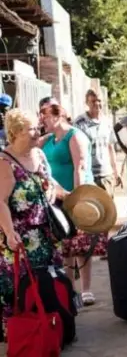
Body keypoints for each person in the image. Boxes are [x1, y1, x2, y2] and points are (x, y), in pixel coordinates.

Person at [0, 108, 68, 342]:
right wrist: (9, 233)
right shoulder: (5, 163)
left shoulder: (39, 154)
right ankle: (25, 333)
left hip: (46, 233)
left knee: (49, 282)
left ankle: (52, 327)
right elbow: (1, 202)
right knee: (20, 287)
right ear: (16, 132)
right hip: (20, 239)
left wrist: (56, 192)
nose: (37, 132)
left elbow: (49, 181)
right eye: (31, 128)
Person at [40, 100, 105, 306]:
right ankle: (70, 289)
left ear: (58, 116)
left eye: (45, 116)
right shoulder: (48, 139)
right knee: (65, 246)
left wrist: (77, 198)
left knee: (81, 246)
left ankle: (86, 289)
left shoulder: (74, 136)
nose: (42, 120)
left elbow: (80, 167)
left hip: (76, 197)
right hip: (56, 199)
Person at [74, 89, 121, 196]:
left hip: (106, 175)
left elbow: (110, 147)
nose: (97, 104)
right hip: (89, 175)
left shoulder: (107, 121)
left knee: (108, 210)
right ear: (87, 103)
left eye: (99, 100)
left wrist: (116, 172)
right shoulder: (79, 123)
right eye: (93, 101)